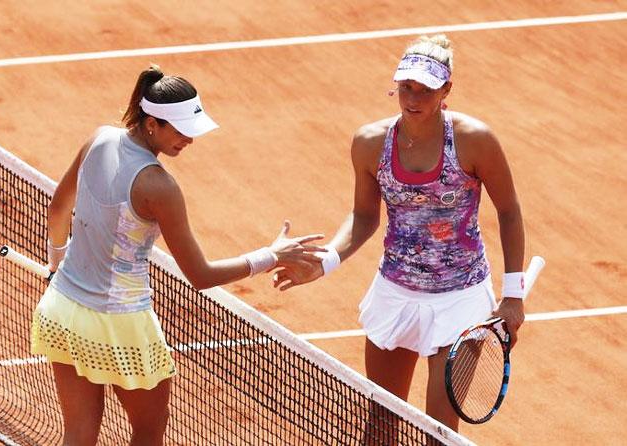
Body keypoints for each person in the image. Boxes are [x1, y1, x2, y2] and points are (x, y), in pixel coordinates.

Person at [31, 64, 325, 446]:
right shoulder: (159, 186)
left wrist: (57, 265)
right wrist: (270, 255)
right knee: (150, 430)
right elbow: (200, 275)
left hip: (62, 308)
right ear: (152, 122)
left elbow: (58, 208)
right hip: (121, 325)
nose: (190, 139)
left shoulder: (98, 139)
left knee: (79, 434)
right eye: (182, 130)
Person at [273, 34, 526, 438]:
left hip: (459, 299)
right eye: (406, 86)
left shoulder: (474, 140)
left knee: (439, 431)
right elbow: (363, 215)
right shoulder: (370, 143)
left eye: (426, 88)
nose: (413, 97)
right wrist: (328, 260)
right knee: (382, 425)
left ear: (447, 90)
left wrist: (513, 294)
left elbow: (509, 211)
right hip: (396, 293)